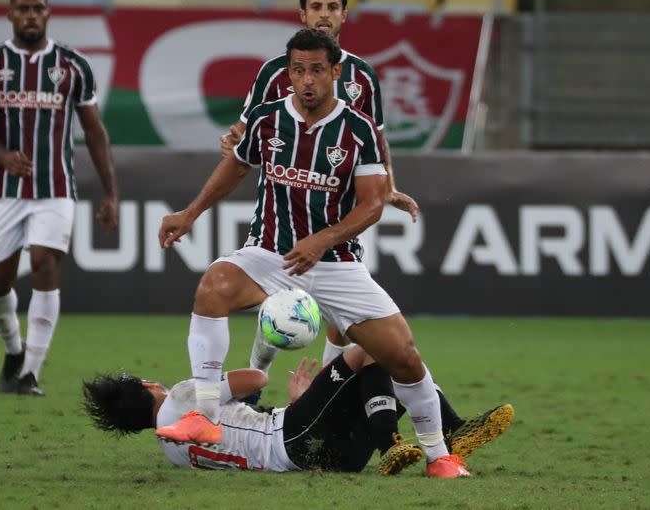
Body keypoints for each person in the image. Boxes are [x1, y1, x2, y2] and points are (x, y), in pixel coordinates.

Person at [220, 0, 513, 457]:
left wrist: (388, 191)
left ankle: (362, 426)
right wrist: (231, 139)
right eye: (315, 5)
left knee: (352, 332)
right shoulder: (276, 71)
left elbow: (374, 142)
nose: (324, 14)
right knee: (316, 325)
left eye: (332, 6)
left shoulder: (362, 77)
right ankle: (408, 429)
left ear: (344, 15)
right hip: (283, 221)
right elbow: (248, 131)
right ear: (302, 14)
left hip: (341, 227)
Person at [157, 28, 467, 478]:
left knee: (402, 355)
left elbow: (373, 204)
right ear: (289, 73)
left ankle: (439, 456)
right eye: (298, 70)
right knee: (213, 286)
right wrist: (190, 213)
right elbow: (235, 167)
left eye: (317, 70)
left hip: (336, 264)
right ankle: (203, 416)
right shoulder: (266, 120)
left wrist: (323, 239)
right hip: (271, 254)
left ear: (335, 72)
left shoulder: (358, 129)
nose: (307, 80)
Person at [0, 0, 119, 396]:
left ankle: (30, 373)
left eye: (38, 8)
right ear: (11, 13)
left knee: (45, 264)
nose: (31, 16)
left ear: (47, 13)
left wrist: (110, 192)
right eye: (23, 9)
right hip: (3, 190)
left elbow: (94, 131)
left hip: (55, 188)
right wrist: (3, 155)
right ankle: (13, 349)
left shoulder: (73, 66)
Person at [84, 347, 427, 475]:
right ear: (146, 387)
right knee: (369, 348)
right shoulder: (183, 396)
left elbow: (239, 435)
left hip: (320, 458)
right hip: (292, 435)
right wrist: (265, 343)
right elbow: (256, 378)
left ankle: (446, 438)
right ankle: (392, 444)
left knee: (398, 371)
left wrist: (299, 403)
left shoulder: (170, 451)